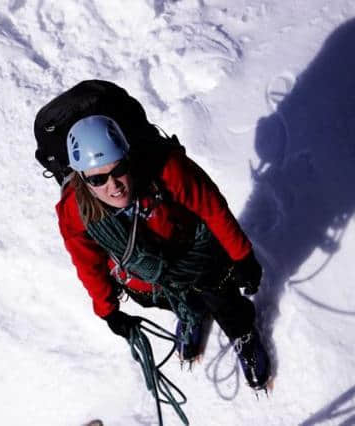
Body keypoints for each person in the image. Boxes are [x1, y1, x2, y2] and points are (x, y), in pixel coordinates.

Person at [56, 114, 271, 389]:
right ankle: (190, 314)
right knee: (164, 297)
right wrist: (108, 310)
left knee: (221, 295)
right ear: (82, 178)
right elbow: (87, 262)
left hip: (193, 251)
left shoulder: (166, 170)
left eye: (118, 169)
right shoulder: (76, 211)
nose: (114, 185)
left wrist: (242, 257)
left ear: (128, 158)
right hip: (148, 273)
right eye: (98, 179)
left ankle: (243, 334)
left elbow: (212, 208)